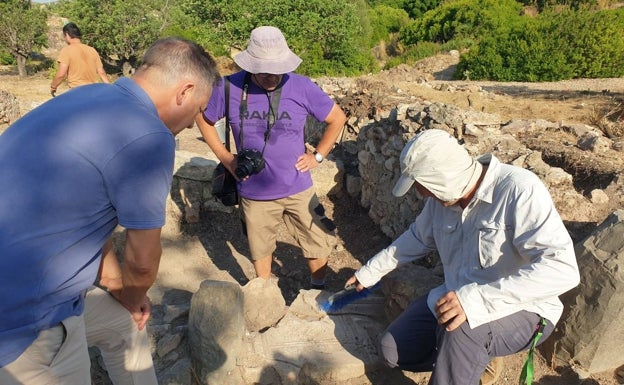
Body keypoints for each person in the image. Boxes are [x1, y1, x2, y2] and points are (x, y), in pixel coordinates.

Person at [0, 37, 220, 385]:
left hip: (17, 289)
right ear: (184, 91)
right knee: (129, 313)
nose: (194, 124)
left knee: (124, 324)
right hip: (26, 322)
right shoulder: (149, 135)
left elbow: (81, 212)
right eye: (198, 109)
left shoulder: (82, 99)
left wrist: (120, 290)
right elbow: (143, 260)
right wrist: (134, 294)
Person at [345, 129, 580, 385]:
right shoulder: (442, 199)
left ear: (443, 177)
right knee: (392, 350)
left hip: (526, 309)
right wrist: (370, 272)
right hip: (457, 295)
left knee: (462, 332)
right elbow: (418, 237)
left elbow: (562, 270)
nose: (422, 194)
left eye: (423, 186)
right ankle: (472, 359)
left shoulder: (518, 190)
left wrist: (475, 300)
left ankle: (464, 360)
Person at [196, 26, 347, 289]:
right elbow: (203, 118)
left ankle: (317, 289)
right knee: (259, 247)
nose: (273, 77)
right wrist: (225, 157)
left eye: (278, 70)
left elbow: (337, 119)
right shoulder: (229, 87)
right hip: (254, 191)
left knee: (316, 240)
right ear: (251, 65)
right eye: (265, 72)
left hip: (298, 187)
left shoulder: (301, 86)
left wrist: (318, 157)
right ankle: (265, 294)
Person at [50, 22, 110, 95]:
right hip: (93, 92)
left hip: (77, 92)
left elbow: (61, 74)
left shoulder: (67, 50)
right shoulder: (92, 50)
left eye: (64, 36)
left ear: (67, 35)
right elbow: (102, 73)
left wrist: (53, 86)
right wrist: (109, 88)